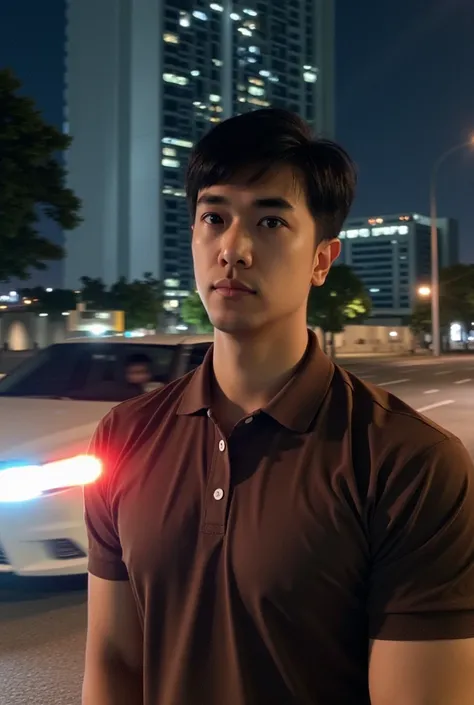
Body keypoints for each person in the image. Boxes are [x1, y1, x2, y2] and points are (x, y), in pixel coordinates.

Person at [82, 109, 474, 705]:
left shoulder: (409, 463)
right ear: (192, 236)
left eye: (270, 222)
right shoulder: (124, 435)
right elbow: (114, 661)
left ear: (322, 259)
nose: (233, 249)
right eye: (214, 217)